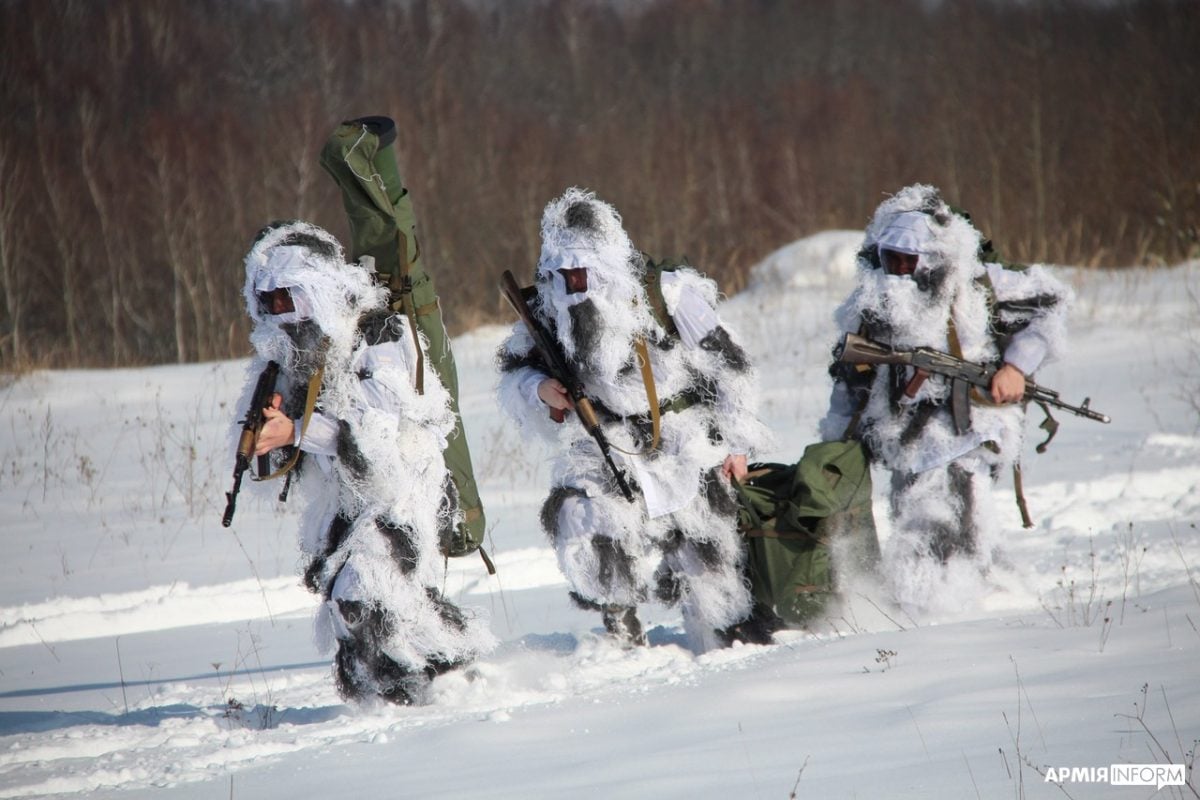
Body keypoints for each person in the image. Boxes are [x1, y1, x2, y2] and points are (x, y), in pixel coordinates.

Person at [497, 188, 775, 651]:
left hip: (685, 442)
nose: (570, 288)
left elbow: (731, 368)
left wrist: (737, 445)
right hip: (606, 442)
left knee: (704, 562)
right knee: (580, 516)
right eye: (560, 275)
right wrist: (538, 388)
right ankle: (620, 629)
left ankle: (723, 651)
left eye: (580, 274)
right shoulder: (547, 306)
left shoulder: (666, 295)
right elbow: (515, 373)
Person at [237, 220, 493, 704]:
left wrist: (295, 431)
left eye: (286, 300)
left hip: (404, 491)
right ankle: (442, 679)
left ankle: (407, 701)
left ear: (315, 290)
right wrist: (262, 440)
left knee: (363, 594)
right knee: (365, 610)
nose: (279, 316)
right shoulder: (288, 356)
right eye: (266, 304)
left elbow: (377, 441)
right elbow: (267, 459)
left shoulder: (381, 336)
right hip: (343, 502)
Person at [819, 184, 1072, 611]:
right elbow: (850, 377)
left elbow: (1052, 302)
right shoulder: (871, 301)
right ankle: (982, 603)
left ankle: (938, 619)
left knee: (939, 528)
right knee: (929, 525)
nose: (898, 271)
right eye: (889, 259)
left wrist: (1016, 367)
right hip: (904, 441)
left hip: (966, 433)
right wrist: (835, 441)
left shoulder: (978, 284)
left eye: (907, 261)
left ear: (932, 259)